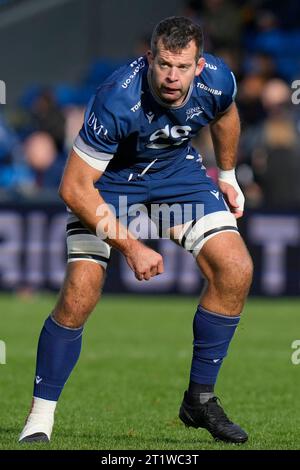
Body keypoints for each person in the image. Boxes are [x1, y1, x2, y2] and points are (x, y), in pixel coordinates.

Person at [19, 16, 253, 444]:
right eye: (164, 64)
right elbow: (73, 187)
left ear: (199, 66)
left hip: (175, 176)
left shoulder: (218, 80)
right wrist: (131, 247)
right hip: (106, 184)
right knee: (80, 291)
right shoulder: (117, 98)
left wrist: (229, 173)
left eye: (182, 67)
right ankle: (40, 419)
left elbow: (226, 113)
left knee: (235, 268)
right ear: (149, 57)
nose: (171, 76)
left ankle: (199, 400)